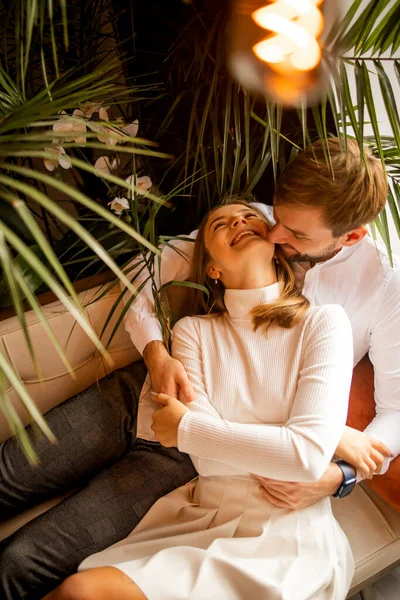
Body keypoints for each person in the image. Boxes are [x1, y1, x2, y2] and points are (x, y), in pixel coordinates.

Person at [0, 136, 397, 598]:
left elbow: (394, 413)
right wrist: (158, 353)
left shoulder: (377, 295)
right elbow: (139, 280)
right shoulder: (250, 230)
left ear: (351, 236)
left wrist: (337, 469)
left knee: (23, 561)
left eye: (296, 235)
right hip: (153, 389)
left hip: (193, 455)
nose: (275, 234)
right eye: (278, 219)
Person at [44, 201, 355, 600]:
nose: (238, 222)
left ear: (276, 241)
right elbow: (208, 461)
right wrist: (285, 441)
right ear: (212, 268)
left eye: (248, 217)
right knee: (76, 588)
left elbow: (308, 457)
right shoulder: (192, 333)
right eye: (220, 225)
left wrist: (190, 429)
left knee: (82, 593)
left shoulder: (325, 322)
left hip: (285, 534)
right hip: (206, 514)